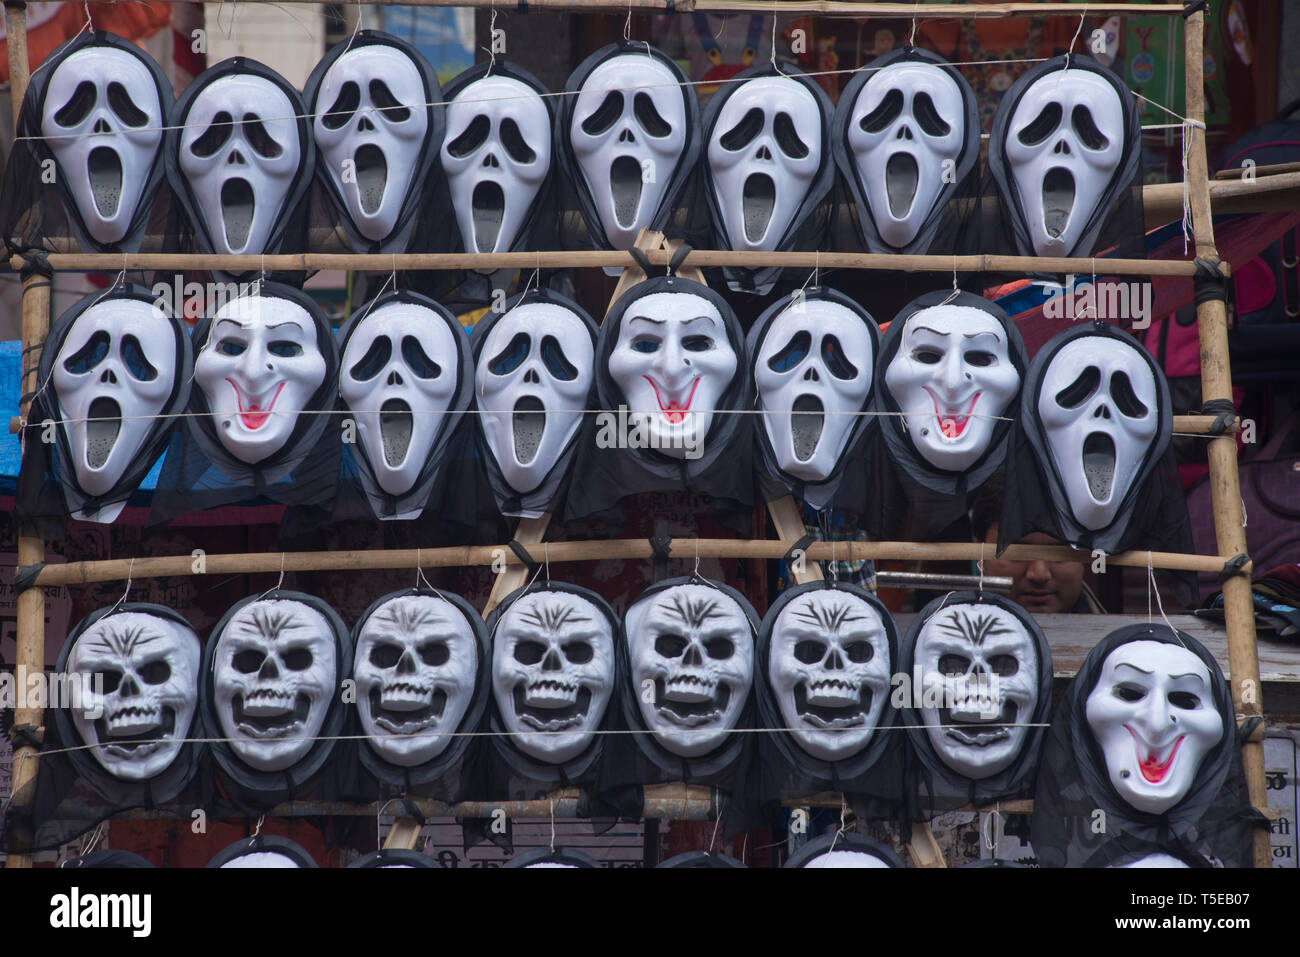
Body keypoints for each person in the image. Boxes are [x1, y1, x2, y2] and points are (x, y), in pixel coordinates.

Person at [969, 476, 1106, 615]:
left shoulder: (1117, 634)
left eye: (1059, 553)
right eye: (1017, 553)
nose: (1039, 575)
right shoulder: (948, 632)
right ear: (980, 554)